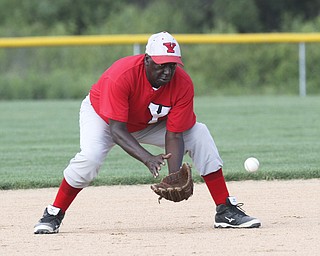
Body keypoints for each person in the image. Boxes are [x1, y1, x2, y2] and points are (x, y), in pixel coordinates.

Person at [34, 31, 261, 234]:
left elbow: (174, 134)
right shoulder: (121, 75)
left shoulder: (183, 84)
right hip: (104, 119)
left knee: (199, 133)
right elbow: (117, 130)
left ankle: (225, 210)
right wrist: (147, 158)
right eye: (161, 64)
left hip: (148, 123)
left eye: (172, 65)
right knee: (90, 158)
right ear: (147, 60)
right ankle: (54, 213)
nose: (167, 71)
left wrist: (174, 176)